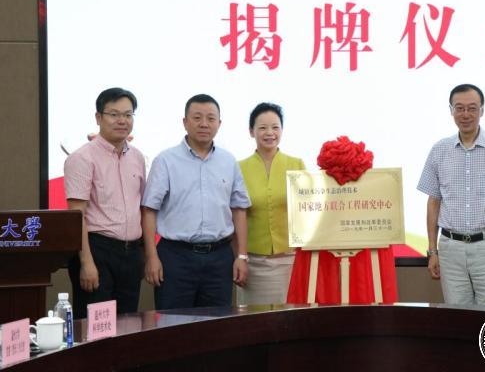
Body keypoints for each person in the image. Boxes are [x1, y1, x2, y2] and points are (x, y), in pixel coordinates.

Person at [417, 84, 485, 306]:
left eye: (472, 108)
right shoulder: (439, 150)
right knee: (458, 317)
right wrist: (432, 251)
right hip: (450, 249)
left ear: (482, 110)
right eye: (459, 108)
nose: (465, 114)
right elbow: (433, 202)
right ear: (451, 110)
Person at [141, 94, 251, 309]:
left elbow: (239, 210)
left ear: (219, 123)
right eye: (197, 117)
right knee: (173, 324)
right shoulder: (166, 160)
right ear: (185, 122)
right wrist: (151, 257)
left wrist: (242, 256)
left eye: (211, 118)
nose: (204, 124)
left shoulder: (229, 161)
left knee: (217, 324)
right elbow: (149, 211)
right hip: (175, 257)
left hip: (219, 259)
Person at [63, 87, 145, 318]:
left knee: (128, 324)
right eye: (114, 114)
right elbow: (77, 216)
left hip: (131, 253)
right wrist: (86, 263)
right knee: (96, 327)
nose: (122, 121)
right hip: (97, 251)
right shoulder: (82, 158)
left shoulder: (138, 157)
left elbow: (140, 207)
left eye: (128, 115)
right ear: (98, 117)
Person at [237, 102, 305, 305]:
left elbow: (307, 211)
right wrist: (240, 257)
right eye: (263, 128)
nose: (270, 133)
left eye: (275, 127)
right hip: (252, 263)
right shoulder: (239, 168)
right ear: (251, 131)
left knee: (291, 317)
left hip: (291, 260)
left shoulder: (297, 165)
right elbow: (235, 216)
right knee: (255, 319)